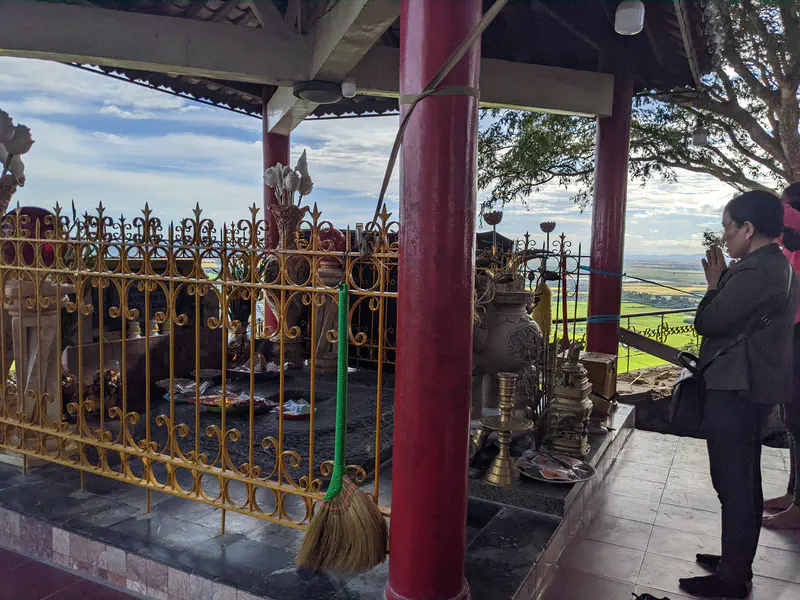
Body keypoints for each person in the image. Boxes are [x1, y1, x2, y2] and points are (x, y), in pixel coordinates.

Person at [679, 190, 799, 599]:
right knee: (742, 480)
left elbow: (709, 321)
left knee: (733, 481)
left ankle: (732, 579)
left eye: (729, 228)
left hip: (738, 387)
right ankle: (735, 562)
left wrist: (714, 285)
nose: (725, 237)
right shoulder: (773, 266)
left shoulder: (757, 271)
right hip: (750, 386)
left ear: (748, 229)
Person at [762, 182, 800, 529]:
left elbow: (777, 217)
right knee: (792, 418)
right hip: (792, 333)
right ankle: (793, 493)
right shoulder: (790, 250)